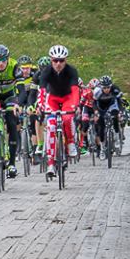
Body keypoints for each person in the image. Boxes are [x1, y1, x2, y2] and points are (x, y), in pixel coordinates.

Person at [38, 44, 80, 177]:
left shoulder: (71, 71)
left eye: (61, 60)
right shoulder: (46, 71)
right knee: (51, 126)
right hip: (53, 99)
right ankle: (50, 163)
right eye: (55, 60)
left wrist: (75, 106)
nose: (58, 63)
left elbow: (75, 91)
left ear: (65, 60)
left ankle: (71, 142)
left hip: (68, 98)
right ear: (51, 60)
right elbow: (42, 91)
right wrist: (40, 106)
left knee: (67, 119)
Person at [0, 44, 24, 177]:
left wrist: (18, 104)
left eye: (4, 60)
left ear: (8, 59)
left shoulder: (14, 66)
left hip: (10, 96)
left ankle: (12, 164)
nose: (1, 63)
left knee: (11, 122)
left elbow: (21, 90)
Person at [92, 75, 124, 155]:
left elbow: (119, 101)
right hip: (101, 107)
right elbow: (94, 103)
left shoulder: (115, 89)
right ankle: (103, 147)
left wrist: (120, 112)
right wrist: (96, 111)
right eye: (104, 88)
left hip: (112, 105)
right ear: (101, 87)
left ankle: (116, 137)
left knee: (115, 117)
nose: (106, 89)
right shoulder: (97, 91)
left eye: (108, 87)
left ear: (111, 86)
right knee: (101, 127)